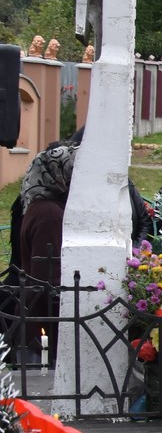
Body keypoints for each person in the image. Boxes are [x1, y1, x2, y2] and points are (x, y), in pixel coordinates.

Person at [12, 142, 75, 364]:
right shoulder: (50, 214)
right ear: (58, 173)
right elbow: (47, 278)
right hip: (41, 326)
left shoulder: (45, 206)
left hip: (36, 318)